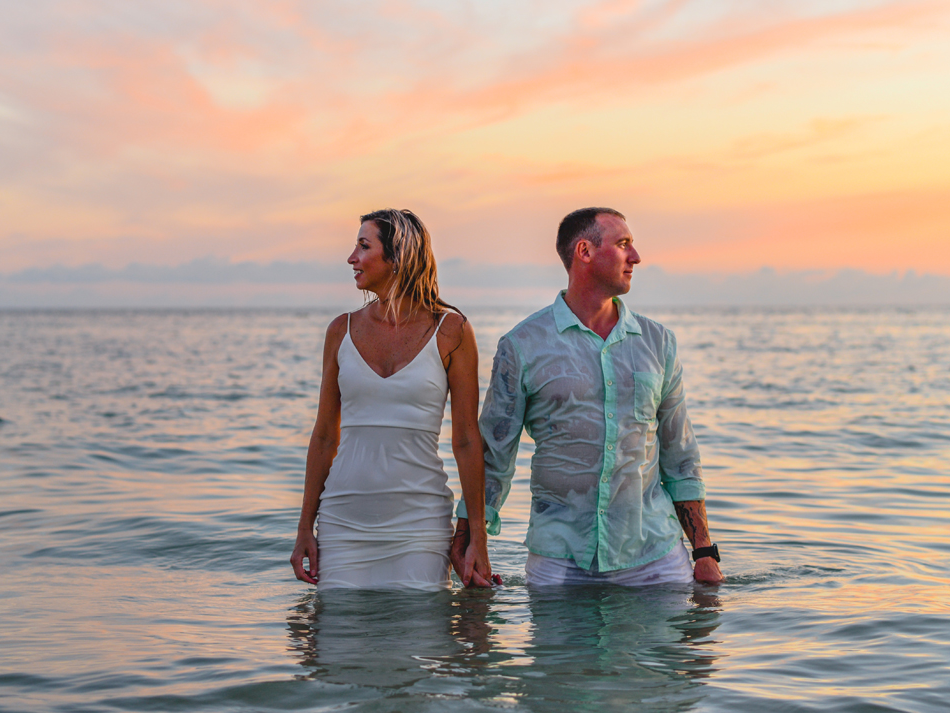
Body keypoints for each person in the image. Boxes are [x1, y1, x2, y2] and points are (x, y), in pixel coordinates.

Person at [451, 207, 724, 586]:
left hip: (656, 560)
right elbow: (495, 454)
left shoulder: (658, 343)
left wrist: (704, 552)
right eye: (623, 244)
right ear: (585, 252)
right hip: (558, 562)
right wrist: (468, 539)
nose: (636, 257)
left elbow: (679, 455)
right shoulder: (523, 345)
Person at [291, 208, 492, 590]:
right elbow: (323, 437)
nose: (351, 258)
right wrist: (304, 528)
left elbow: (466, 439)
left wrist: (477, 536)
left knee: (420, 644)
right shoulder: (341, 330)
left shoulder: (452, 331)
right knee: (337, 644)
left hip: (420, 522)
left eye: (363, 246)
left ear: (397, 257)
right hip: (343, 520)